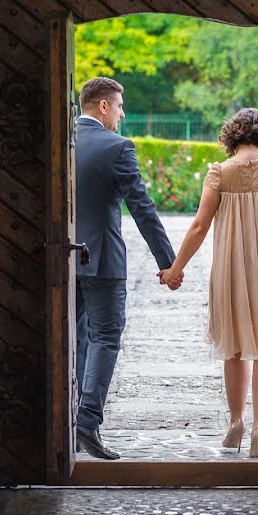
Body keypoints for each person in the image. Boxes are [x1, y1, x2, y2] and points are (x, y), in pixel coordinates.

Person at [74, 76, 183, 460]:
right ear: (103, 106)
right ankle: (87, 420)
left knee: (76, 338)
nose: (121, 115)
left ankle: (69, 421)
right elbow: (141, 207)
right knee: (105, 337)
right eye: (119, 107)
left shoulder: (61, 140)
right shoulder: (117, 147)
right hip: (102, 260)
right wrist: (169, 263)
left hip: (62, 259)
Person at [159, 108, 258, 457]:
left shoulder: (220, 172)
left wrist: (174, 270)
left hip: (231, 270)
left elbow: (200, 226)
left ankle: (236, 423)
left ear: (232, 136)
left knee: (234, 347)